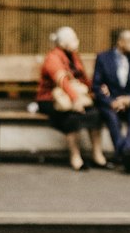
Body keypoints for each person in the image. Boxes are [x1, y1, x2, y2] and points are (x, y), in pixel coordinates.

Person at [37, 25, 107, 171]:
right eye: (73, 39)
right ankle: (75, 156)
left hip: (72, 98)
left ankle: (97, 155)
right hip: (51, 99)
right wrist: (76, 100)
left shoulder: (74, 56)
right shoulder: (53, 58)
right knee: (71, 118)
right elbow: (62, 81)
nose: (77, 41)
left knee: (96, 114)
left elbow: (83, 79)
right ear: (62, 43)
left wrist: (95, 90)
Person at [93, 28, 130, 173]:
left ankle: (127, 151)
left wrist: (129, 99)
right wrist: (111, 101)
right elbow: (97, 84)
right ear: (120, 42)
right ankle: (129, 154)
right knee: (110, 116)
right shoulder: (103, 58)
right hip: (111, 102)